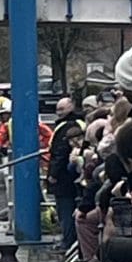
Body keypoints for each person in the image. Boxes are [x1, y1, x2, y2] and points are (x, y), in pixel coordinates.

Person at [45, 96, 84, 253]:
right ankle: (73, 241)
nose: (58, 112)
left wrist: (53, 174)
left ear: (71, 106)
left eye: (62, 109)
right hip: (74, 176)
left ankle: (68, 242)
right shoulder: (80, 123)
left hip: (64, 178)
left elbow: (60, 153)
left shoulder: (66, 127)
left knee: (65, 210)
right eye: (57, 109)